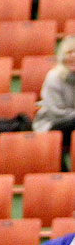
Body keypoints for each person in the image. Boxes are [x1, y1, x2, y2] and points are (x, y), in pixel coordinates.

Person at [32, 34, 75, 167]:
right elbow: (55, 112)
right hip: (52, 123)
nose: (73, 56)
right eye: (69, 52)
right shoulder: (54, 77)